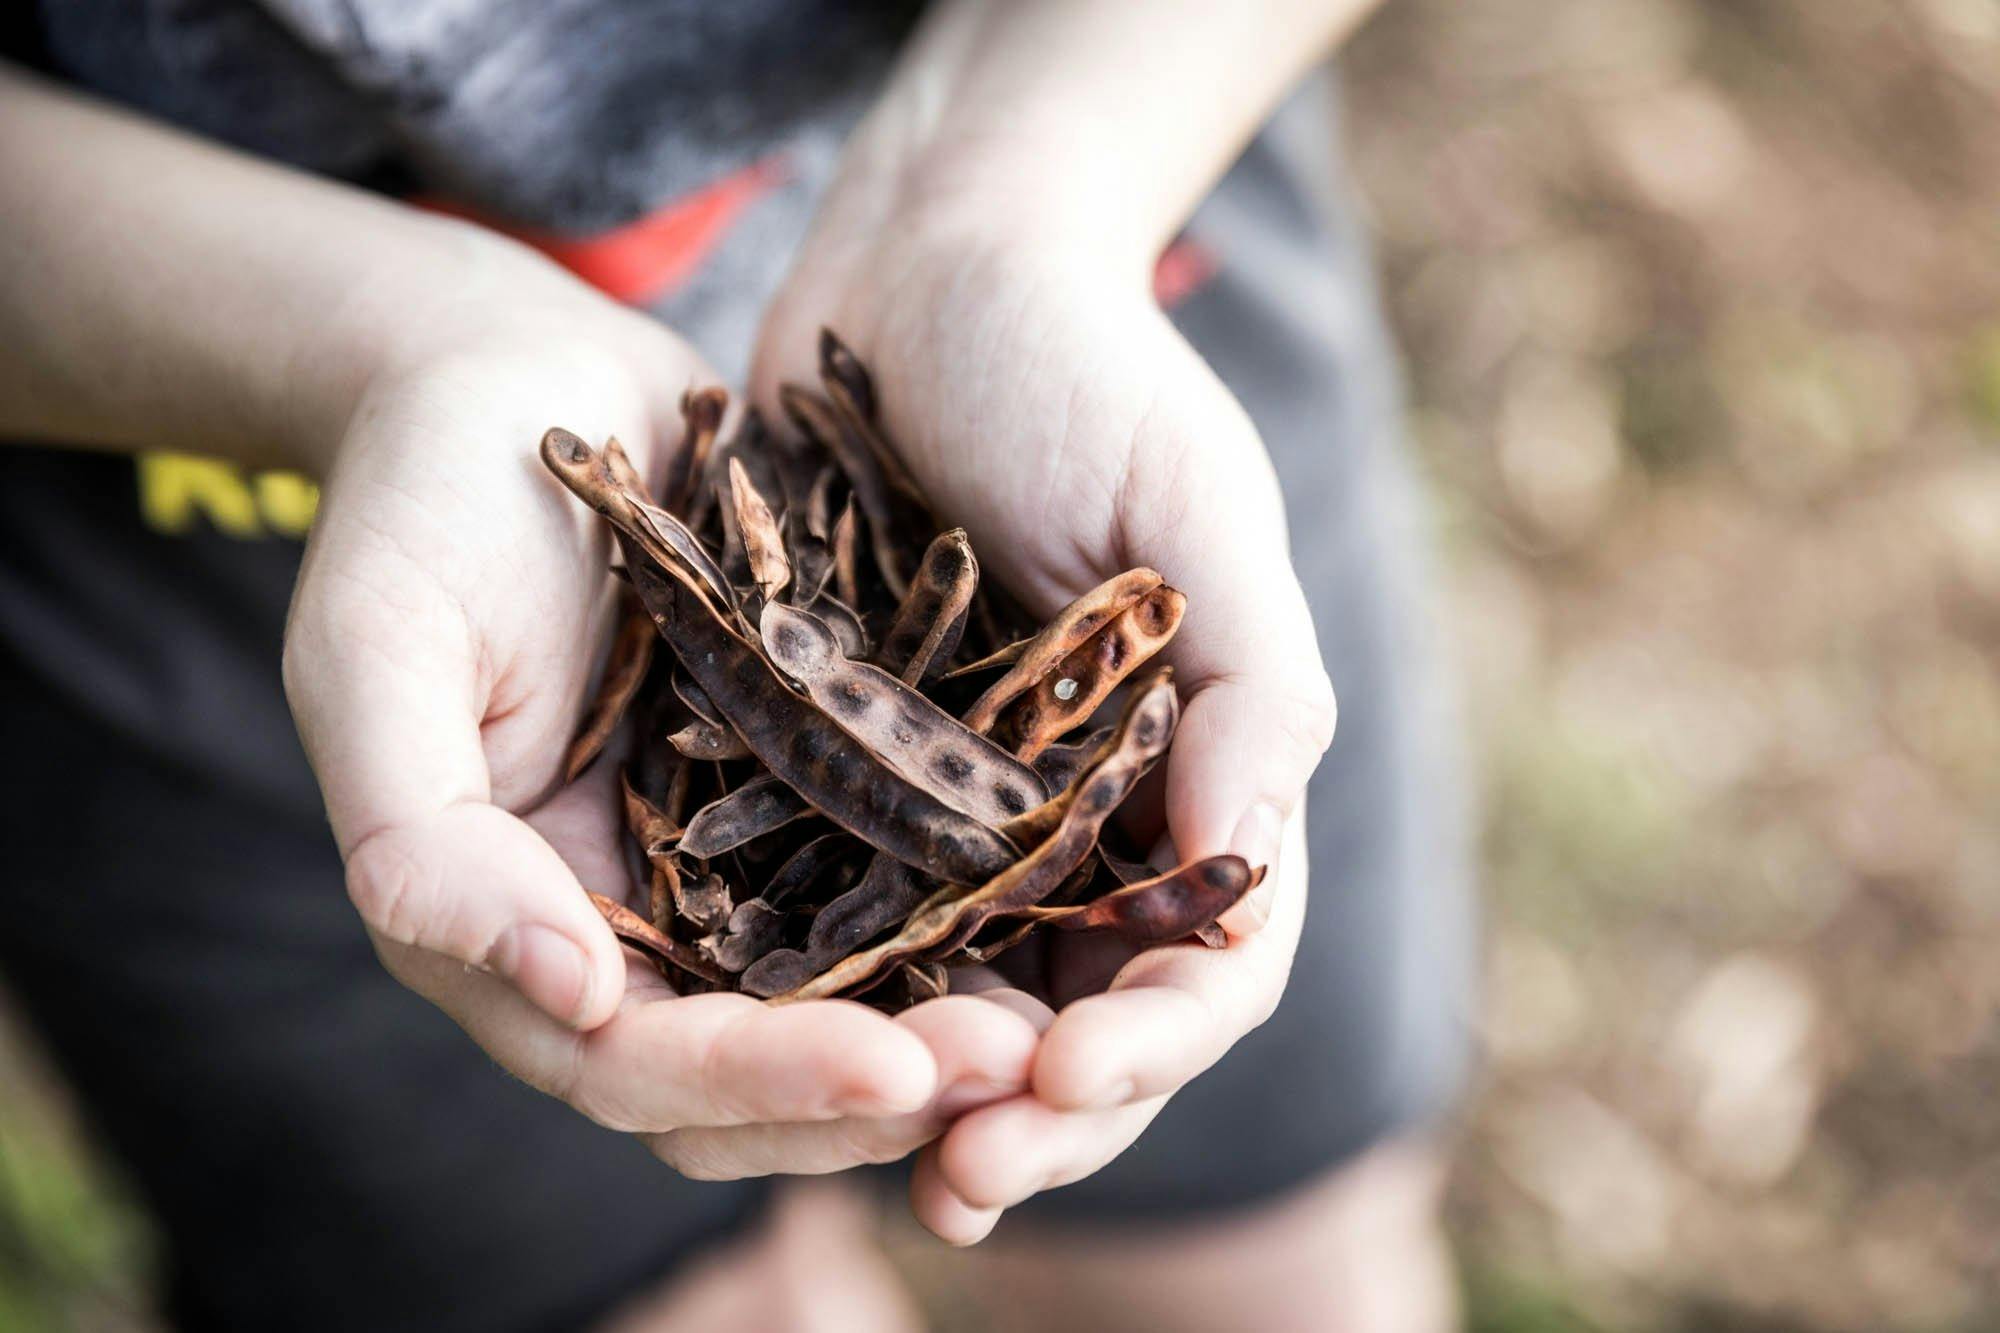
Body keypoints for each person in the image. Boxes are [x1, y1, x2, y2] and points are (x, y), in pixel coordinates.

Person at [0, 2, 1471, 1329]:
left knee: (1278, 1273)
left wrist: (1008, 201)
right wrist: (391, 352)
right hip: (159, 500)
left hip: (1105, 152)